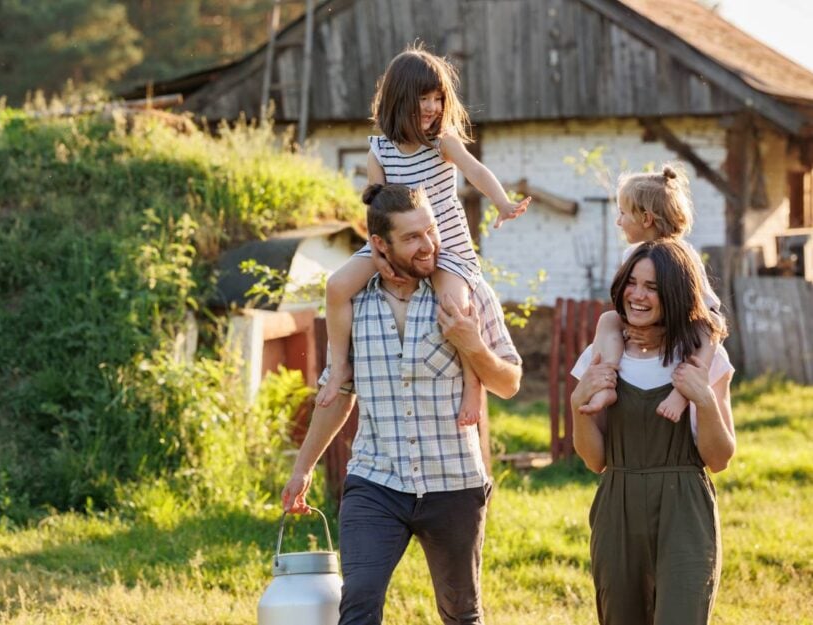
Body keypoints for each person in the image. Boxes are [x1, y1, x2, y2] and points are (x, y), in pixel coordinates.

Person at [282, 183, 522, 625]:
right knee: (358, 604)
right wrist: (302, 468)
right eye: (412, 238)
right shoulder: (354, 301)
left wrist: (473, 346)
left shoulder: (467, 291)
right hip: (376, 480)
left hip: (453, 482)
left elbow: (508, 382)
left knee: (461, 613)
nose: (428, 244)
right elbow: (337, 395)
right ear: (379, 244)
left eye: (430, 231)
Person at [316, 43, 531, 431]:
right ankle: (339, 365)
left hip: (447, 246)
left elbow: (476, 171)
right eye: (423, 98)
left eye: (437, 98)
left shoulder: (442, 142)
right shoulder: (379, 150)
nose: (432, 107)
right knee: (336, 286)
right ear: (399, 100)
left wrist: (501, 202)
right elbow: (376, 209)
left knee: (455, 306)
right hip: (393, 242)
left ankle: (472, 384)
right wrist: (378, 254)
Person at [571, 239, 736, 625]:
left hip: (685, 511)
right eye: (632, 282)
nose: (637, 295)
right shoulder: (601, 352)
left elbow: (720, 458)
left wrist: (704, 400)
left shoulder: (704, 359)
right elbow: (595, 460)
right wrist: (578, 404)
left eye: (653, 287)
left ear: (676, 295)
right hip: (618, 507)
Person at [582, 164, 722, 421]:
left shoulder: (683, 256)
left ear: (646, 218)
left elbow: (707, 312)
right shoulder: (632, 254)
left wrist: (665, 331)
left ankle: (683, 392)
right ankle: (608, 380)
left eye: (623, 213)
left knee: (709, 332)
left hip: (691, 325)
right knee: (608, 319)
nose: (618, 221)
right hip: (655, 324)